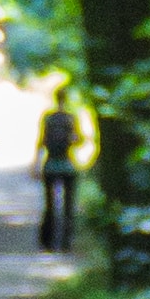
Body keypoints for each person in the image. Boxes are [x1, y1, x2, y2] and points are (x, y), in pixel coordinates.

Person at [37, 91, 83, 254]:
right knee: (68, 206)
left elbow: (41, 141)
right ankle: (66, 243)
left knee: (50, 205)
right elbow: (79, 140)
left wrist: (36, 164)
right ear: (67, 99)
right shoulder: (71, 118)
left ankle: (47, 242)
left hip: (50, 165)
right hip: (67, 165)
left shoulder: (48, 118)